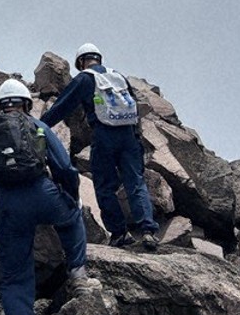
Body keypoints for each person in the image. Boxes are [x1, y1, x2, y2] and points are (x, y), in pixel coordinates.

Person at [0, 79, 94, 315]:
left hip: (9, 207)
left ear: (1, 104)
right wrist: (71, 197)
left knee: (15, 275)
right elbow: (63, 166)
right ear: (26, 103)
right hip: (43, 193)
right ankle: (78, 275)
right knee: (71, 219)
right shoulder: (38, 126)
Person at [40, 43, 159, 250]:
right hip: (129, 135)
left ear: (81, 62)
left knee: (105, 185)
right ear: (99, 58)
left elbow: (63, 105)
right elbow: (134, 107)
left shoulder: (86, 78)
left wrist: (41, 125)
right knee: (135, 182)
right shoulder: (118, 77)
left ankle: (120, 233)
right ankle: (148, 230)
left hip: (104, 135)